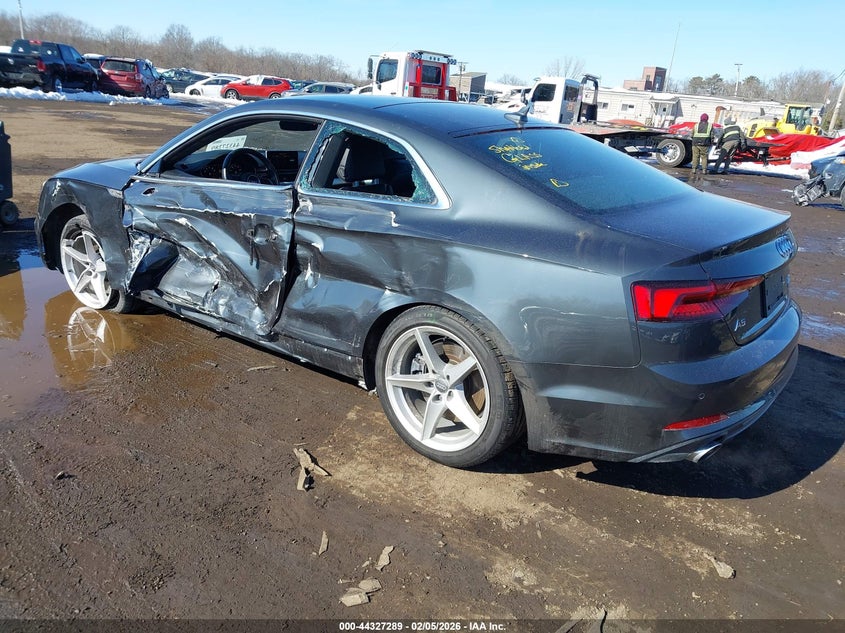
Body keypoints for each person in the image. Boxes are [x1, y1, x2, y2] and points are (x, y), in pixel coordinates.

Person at [690, 113, 714, 179]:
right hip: (705, 143)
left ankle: (694, 169)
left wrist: (694, 139)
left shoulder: (696, 125)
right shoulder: (710, 125)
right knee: (704, 157)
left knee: (695, 156)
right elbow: (712, 135)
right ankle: (704, 170)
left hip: (695, 143)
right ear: (707, 118)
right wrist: (711, 142)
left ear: (700, 118)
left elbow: (691, 134)